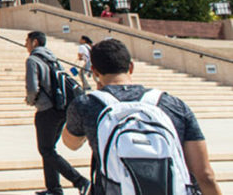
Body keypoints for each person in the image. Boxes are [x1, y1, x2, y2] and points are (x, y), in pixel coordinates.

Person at [62, 39, 221, 195]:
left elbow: (71, 144)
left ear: (94, 71)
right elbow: (205, 175)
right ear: (131, 67)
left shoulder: (86, 104)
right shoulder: (173, 105)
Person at [24, 31, 90, 195]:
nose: (25, 44)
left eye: (27, 41)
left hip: (46, 110)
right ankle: (54, 189)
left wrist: (31, 100)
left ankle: (80, 181)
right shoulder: (52, 59)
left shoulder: (32, 60)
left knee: (46, 150)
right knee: (49, 149)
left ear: (35, 42)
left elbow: (32, 87)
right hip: (61, 108)